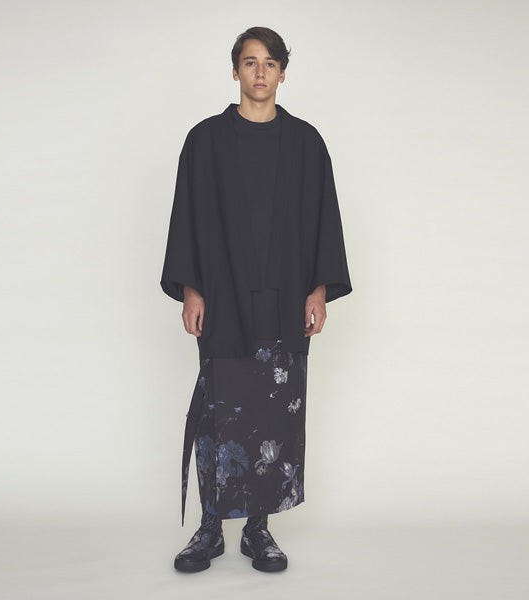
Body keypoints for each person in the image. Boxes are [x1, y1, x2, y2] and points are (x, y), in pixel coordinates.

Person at [160, 26, 352, 573]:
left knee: (274, 415)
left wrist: (319, 288)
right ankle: (210, 529)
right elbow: (187, 216)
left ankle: (259, 529)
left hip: (285, 297)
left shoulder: (306, 143)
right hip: (223, 297)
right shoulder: (205, 141)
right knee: (216, 413)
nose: (260, 71)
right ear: (236, 71)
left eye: (270, 62)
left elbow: (324, 218)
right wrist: (191, 288)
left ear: (283, 73)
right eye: (250, 62)